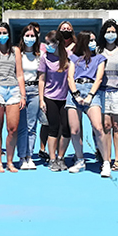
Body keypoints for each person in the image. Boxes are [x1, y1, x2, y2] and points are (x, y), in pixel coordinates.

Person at [66, 31, 111, 177]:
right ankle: (79, 160)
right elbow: (70, 77)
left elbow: (98, 78)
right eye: (90, 40)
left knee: (98, 127)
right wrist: (76, 94)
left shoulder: (100, 58)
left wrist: (90, 95)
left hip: (92, 91)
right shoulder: (73, 58)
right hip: (75, 92)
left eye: (94, 40)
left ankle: (105, 162)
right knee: (74, 130)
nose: (93, 43)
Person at [0, 22, 26, 173]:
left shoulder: (16, 51)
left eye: (5, 33)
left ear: (9, 35)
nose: (2, 36)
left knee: (13, 129)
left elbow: (20, 74)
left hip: (13, 90)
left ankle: (10, 161)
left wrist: (23, 95)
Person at [98, 20, 118, 171]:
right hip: (103, 91)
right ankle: (107, 159)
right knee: (106, 126)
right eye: (107, 31)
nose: (110, 34)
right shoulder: (99, 50)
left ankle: (117, 160)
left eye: (113, 31)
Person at [38, 30, 73, 171]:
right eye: (45, 43)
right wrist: (42, 100)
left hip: (66, 97)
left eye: (49, 43)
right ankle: (52, 159)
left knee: (66, 129)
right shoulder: (44, 58)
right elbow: (41, 79)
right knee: (53, 127)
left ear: (58, 43)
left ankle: (61, 157)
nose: (47, 46)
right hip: (50, 97)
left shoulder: (69, 57)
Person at [17, 24, 41, 170]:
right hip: (21, 91)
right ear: (23, 37)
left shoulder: (39, 56)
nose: (30, 38)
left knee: (32, 126)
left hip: (35, 91)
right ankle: (21, 156)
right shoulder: (18, 55)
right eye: (27, 35)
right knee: (22, 127)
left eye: (32, 36)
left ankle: (29, 156)